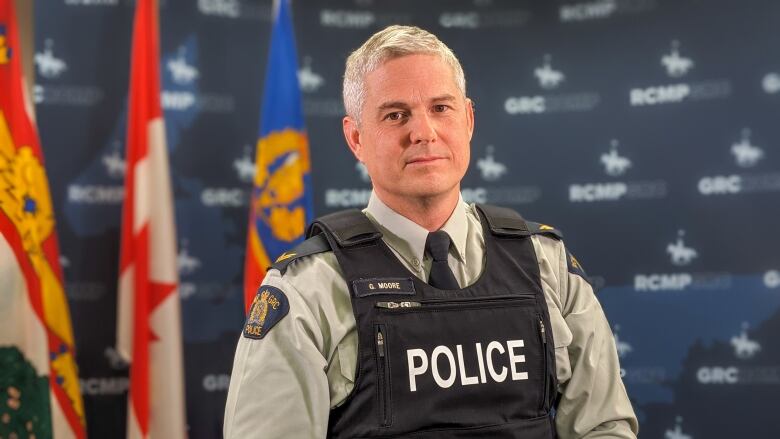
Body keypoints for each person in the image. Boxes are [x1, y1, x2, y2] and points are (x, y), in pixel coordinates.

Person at [224, 25, 638, 438]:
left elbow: (604, 428)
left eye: (441, 108)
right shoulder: (307, 291)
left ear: (469, 120)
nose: (423, 132)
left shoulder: (546, 264)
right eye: (395, 115)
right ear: (356, 138)